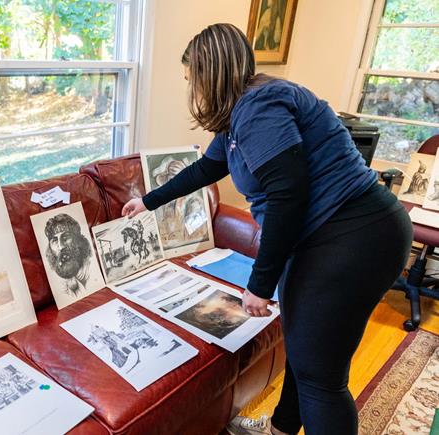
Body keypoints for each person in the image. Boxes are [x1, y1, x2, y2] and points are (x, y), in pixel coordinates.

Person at [121, 23, 412, 435]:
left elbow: (287, 197)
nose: (193, 92)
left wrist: (260, 283)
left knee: (320, 378)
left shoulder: (259, 107)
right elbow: (208, 167)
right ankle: (280, 429)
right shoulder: (238, 115)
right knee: (305, 353)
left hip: (353, 236)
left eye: (192, 81)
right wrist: (148, 201)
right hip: (337, 235)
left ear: (211, 74)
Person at [44, 213, 93, 296]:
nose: (61, 246)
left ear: (78, 240)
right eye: (54, 241)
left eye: (66, 238)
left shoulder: (92, 268)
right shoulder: (60, 287)